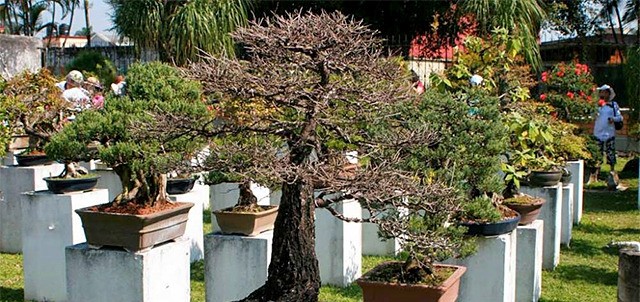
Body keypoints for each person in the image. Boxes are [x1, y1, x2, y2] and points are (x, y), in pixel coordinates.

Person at [593, 84, 624, 189]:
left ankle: (612, 172)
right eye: (602, 92)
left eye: (605, 92)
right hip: (598, 132)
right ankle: (596, 173)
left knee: (610, 152)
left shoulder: (613, 105)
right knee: (597, 153)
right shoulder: (597, 105)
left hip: (609, 132)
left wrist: (613, 119)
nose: (603, 94)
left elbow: (619, 117)